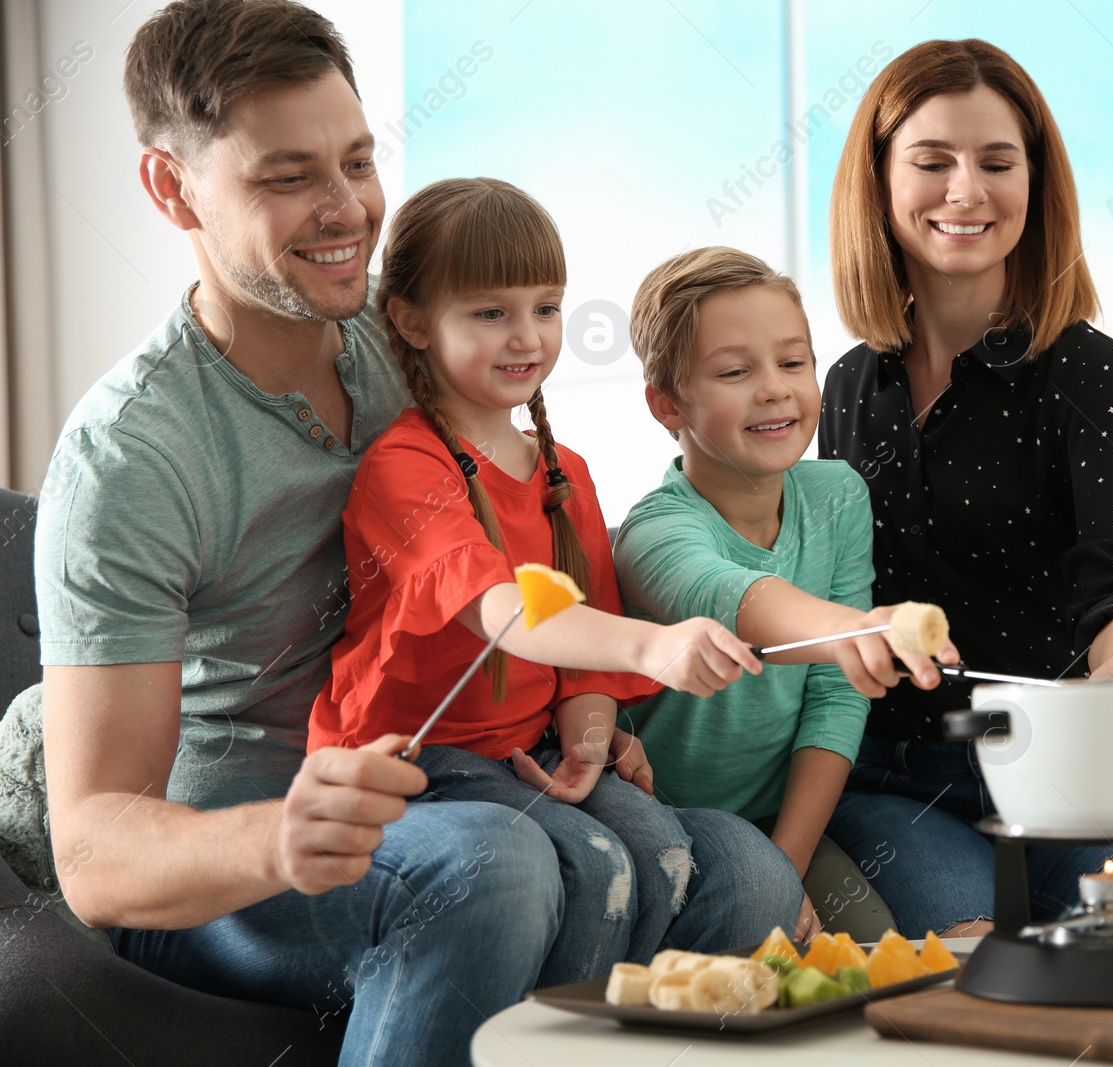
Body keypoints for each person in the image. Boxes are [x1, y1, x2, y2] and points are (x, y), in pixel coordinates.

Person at [23, 4, 695, 1063]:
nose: (348, 211)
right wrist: (276, 835)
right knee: (493, 865)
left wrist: (587, 692)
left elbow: (538, 521)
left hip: (433, 779)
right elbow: (97, 851)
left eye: (358, 160)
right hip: (228, 850)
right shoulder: (131, 458)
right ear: (171, 187)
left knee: (700, 859)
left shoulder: (406, 333)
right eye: (288, 176)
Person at [306, 179, 801, 985]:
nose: (526, 336)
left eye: (545, 307)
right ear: (409, 318)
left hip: (527, 749)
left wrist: (591, 732)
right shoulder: (406, 466)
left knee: (685, 855)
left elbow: (583, 648)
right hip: (419, 757)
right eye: (490, 312)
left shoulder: (566, 470)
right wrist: (656, 644)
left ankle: (629, 1029)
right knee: (598, 864)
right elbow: (507, 612)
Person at [818, 38, 1113, 940]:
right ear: (879, 182)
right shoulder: (843, 387)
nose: (967, 190)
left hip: (1069, 770)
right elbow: (836, 588)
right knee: (984, 975)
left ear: (1034, 184)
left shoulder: (1093, 370)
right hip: (894, 782)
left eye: (998, 162)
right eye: (932, 162)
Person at [613, 247, 956, 943]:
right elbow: (729, 593)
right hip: (664, 824)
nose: (774, 389)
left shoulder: (836, 496)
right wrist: (852, 630)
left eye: (793, 362)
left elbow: (834, 698)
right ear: (666, 402)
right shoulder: (654, 531)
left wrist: (788, 863)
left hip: (780, 823)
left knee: (874, 958)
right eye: (736, 371)